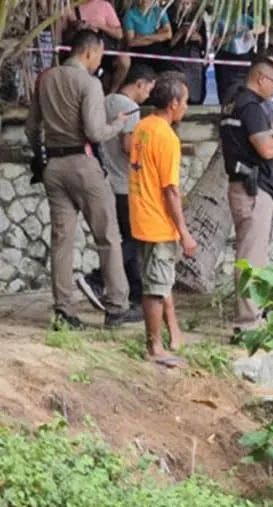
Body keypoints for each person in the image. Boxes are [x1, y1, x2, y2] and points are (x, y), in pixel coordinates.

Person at [25, 30, 140, 330]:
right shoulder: (89, 83)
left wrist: (41, 155)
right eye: (100, 54)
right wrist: (117, 124)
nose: (100, 61)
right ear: (89, 52)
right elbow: (94, 131)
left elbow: (31, 127)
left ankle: (64, 311)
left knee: (61, 240)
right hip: (83, 164)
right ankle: (117, 306)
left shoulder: (45, 78)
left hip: (53, 166)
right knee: (108, 236)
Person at [220, 55, 273, 338]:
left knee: (249, 253)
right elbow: (267, 150)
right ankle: (248, 322)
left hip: (242, 185)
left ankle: (251, 317)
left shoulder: (232, 102)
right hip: (253, 189)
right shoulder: (252, 108)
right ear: (261, 79)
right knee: (251, 258)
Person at [77, 65, 158, 313]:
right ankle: (97, 278)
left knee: (127, 239)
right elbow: (128, 145)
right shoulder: (130, 108)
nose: (148, 95)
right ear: (139, 83)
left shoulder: (107, 100)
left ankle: (134, 294)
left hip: (108, 178)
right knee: (134, 241)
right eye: (148, 89)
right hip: (126, 183)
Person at [128, 71, 195, 367]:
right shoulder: (167, 138)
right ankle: (154, 347)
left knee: (156, 283)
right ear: (173, 103)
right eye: (185, 102)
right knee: (156, 288)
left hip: (141, 216)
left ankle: (162, 340)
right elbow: (171, 190)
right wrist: (184, 232)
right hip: (158, 222)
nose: (187, 108)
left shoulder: (142, 126)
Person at [58, 0, 129, 93]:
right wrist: (75, 27)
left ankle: (112, 92)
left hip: (103, 49)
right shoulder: (70, 6)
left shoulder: (104, 5)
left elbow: (119, 34)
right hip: (81, 49)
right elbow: (61, 33)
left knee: (124, 61)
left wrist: (99, 25)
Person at [213, 13, 266, 104]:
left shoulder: (245, 18)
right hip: (226, 58)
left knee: (243, 86)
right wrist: (231, 34)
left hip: (243, 58)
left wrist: (251, 32)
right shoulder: (219, 19)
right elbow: (215, 42)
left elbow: (262, 27)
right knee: (224, 89)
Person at [167, 0, 207, 105]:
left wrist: (199, 38)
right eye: (182, 3)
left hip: (194, 56)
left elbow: (205, 43)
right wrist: (181, 32)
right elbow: (168, 44)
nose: (185, 6)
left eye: (188, 3)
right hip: (176, 56)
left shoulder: (199, 20)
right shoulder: (169, 17)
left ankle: (195, 102)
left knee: (196, 83)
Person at [123, 0, 173, 72]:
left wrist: (145, 37)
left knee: (170, 70)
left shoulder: (159, 11)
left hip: (158, 50)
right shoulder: (130, 14)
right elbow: (131, 42)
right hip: (140, 52)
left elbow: (168, 34)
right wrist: (159, 37)